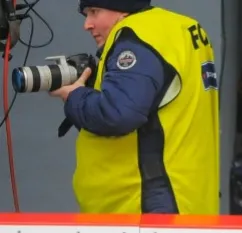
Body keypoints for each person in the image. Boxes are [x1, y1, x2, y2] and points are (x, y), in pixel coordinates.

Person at [51, 1, 220, 215]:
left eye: (94, 12)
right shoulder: (182, 28)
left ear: (122, 8)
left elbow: (117, 115)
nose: (88, 24)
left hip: (143, 210)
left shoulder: (136, 37)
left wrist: (74, 96)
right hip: (186, 200)